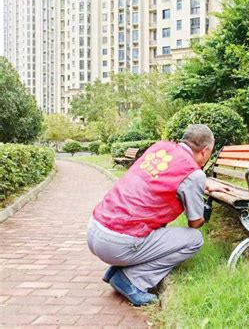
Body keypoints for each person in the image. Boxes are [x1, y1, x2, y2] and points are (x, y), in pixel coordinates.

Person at [87, 124, 229, 306]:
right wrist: (201, 200)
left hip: (95, 229)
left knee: (153, 222)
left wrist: (204, 183)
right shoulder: (194, 174)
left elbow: (165, 176)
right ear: (206, 150)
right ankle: (133, 280)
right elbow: (195, 222)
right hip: (117, 244)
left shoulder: (161, 147)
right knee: (194, 239)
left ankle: (116, 269)